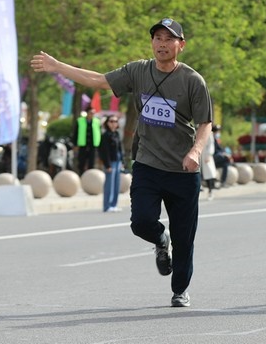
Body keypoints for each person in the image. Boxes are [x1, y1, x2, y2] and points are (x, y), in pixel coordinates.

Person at [31, 18, 213, 308]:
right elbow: (98, 80)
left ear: (181, 45)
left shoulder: (193, 81)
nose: (162, 44)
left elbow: (205, 123)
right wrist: (57, 66)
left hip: (183, 169)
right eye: (157, 38)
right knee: (140, 222)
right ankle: (160, 238)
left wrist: (195, 152)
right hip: (147, 164)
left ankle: (180, 289)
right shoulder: (138, 71)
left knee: (185, 236)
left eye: (169, 39)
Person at [99, 114, 124, 212]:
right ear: (107, 123)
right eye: (111, 121)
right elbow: (104, 151)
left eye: (115, 121)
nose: (114, 123)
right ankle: (107, 206)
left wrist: (122, 161)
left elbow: (120, 149)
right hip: (110, 162)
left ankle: (114, 204)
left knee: (116, 183)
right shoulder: (105, 135)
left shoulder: (116, 134)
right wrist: (107, 164)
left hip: (118, 161)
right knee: (109, 184)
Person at [75, 105, 101, 173]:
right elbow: (76, 133)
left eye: (93, 113)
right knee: (81, 162)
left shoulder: (97, 121)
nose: (92, 115)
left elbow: (99, 133)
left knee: (91, 163)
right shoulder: (80, 121)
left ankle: (89, 176)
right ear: (87, 113)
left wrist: (99, 145)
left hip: (93, 145)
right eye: (90, 113)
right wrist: (75, 144)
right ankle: (81, 174)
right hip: (83, 145)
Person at [201, 129, 218, 200]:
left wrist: (208, 155)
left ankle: (211, 190)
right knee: (202, 174)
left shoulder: (209, 133)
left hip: (206, 156)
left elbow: (211, 145)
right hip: (200, 155)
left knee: (209, 174)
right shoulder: (198, 131)